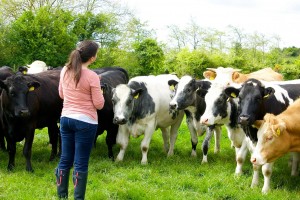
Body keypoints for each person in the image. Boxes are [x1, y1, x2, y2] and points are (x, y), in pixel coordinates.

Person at [55, 40, 105, 199]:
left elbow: (61, 95)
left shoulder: (64, 70)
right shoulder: (92, 76)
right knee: (81, 163)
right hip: (86, 122)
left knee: (65, 159)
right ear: (92, 58)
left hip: (66, 119)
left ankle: (62, 196)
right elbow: (99, 104)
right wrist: (101, 94)